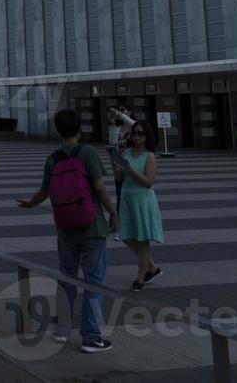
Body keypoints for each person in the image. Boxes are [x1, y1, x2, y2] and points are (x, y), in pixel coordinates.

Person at [16, 108, 120, 353]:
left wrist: (30, 203)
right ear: (80, 129)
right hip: (91, 226)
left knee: (66, 278)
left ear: (58, 130)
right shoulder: (87, 153)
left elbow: (44, 191)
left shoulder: (53, 158)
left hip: (65, 228)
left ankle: (62, 329)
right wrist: (112, 212)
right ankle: (91, 336)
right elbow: (99, 186)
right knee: (94, 281)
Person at [117, 122, 164, 290]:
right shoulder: (126, 152)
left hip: (142, 198)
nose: (136, 136)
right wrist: (116, 164)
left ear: (147, 136)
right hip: (127, 196)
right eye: (134, 133)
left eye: (140, 133)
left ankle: (140, 278)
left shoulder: (149, 156)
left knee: (143, 239)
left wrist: (130, 169)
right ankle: (152, 267)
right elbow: (119, 176)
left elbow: (149, 182)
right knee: (127, 236)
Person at [107, 107, 135, 208]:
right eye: (120, 110)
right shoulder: (117, 128)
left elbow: (133, 124)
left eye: (123, 110)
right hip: (119, 166)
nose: (121, 112)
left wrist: (120, 114)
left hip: (132, 165)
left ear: (129, 111)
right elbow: (113, 144)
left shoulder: (135, 128)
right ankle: (121, 218)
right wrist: (113, 124)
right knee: (120, 195)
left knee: (132, 196)